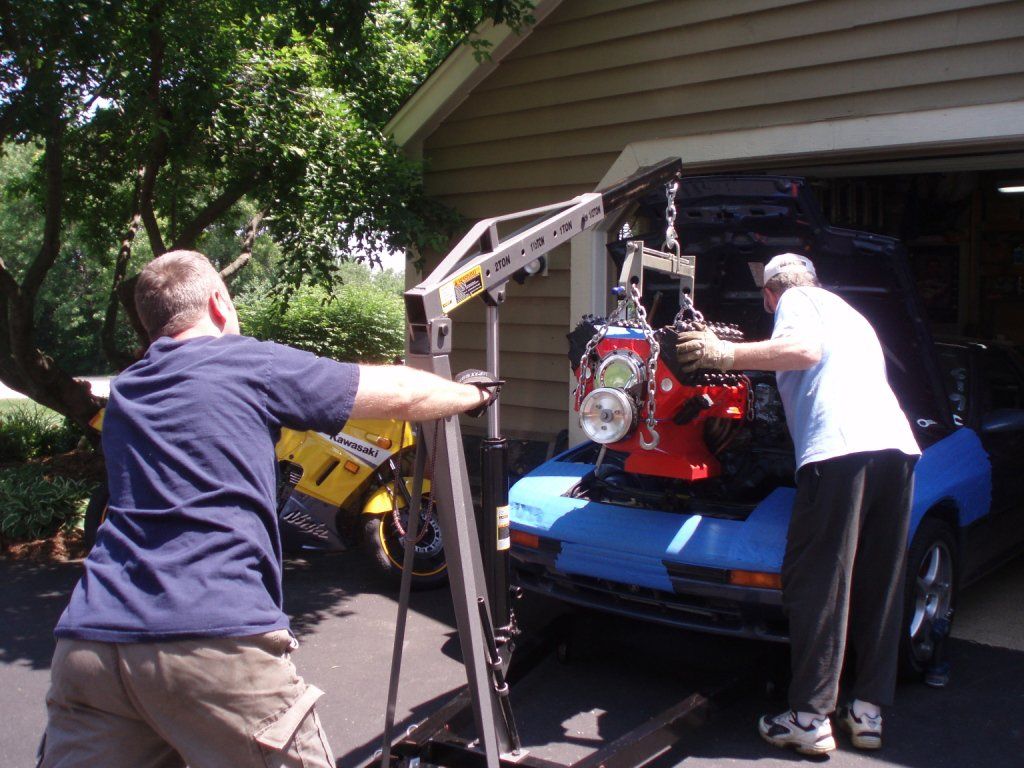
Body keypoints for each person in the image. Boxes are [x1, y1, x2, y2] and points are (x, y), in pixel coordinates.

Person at [39, 250, 498, 768]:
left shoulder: (128, 390)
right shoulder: (243, 361)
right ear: (219, 302)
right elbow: (398, 392)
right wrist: (471, 394)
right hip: (209, 637)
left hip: (91, 644)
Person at [675, 252, 920, 756]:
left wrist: (723, 354)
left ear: (770, 297)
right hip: (896, 449)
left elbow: (804, 350)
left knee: (819, 583)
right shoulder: (849, 313)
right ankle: (867, 712)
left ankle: (809, 718)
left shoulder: (798, 301)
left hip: (839, 450)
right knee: (879, 581)